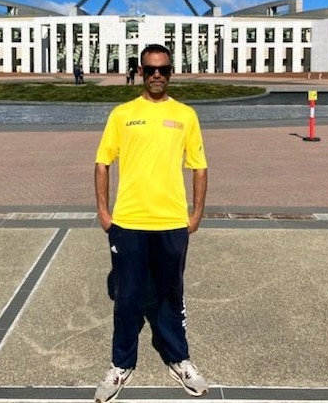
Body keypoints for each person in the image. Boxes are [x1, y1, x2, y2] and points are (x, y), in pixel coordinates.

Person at [94, 44, 208, 403]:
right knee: (127, 296)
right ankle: (121, 364)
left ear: (171, 72)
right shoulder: (122, 114)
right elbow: (102, 163)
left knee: (171, 293)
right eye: (149, 69)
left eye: (163, 69)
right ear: (139, 72)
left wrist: (197, 213)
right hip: (128, 222)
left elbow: (199, 166)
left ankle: (178, 357)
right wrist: (103, 211)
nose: (156, 75)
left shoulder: (186, 115)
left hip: (172, 222)